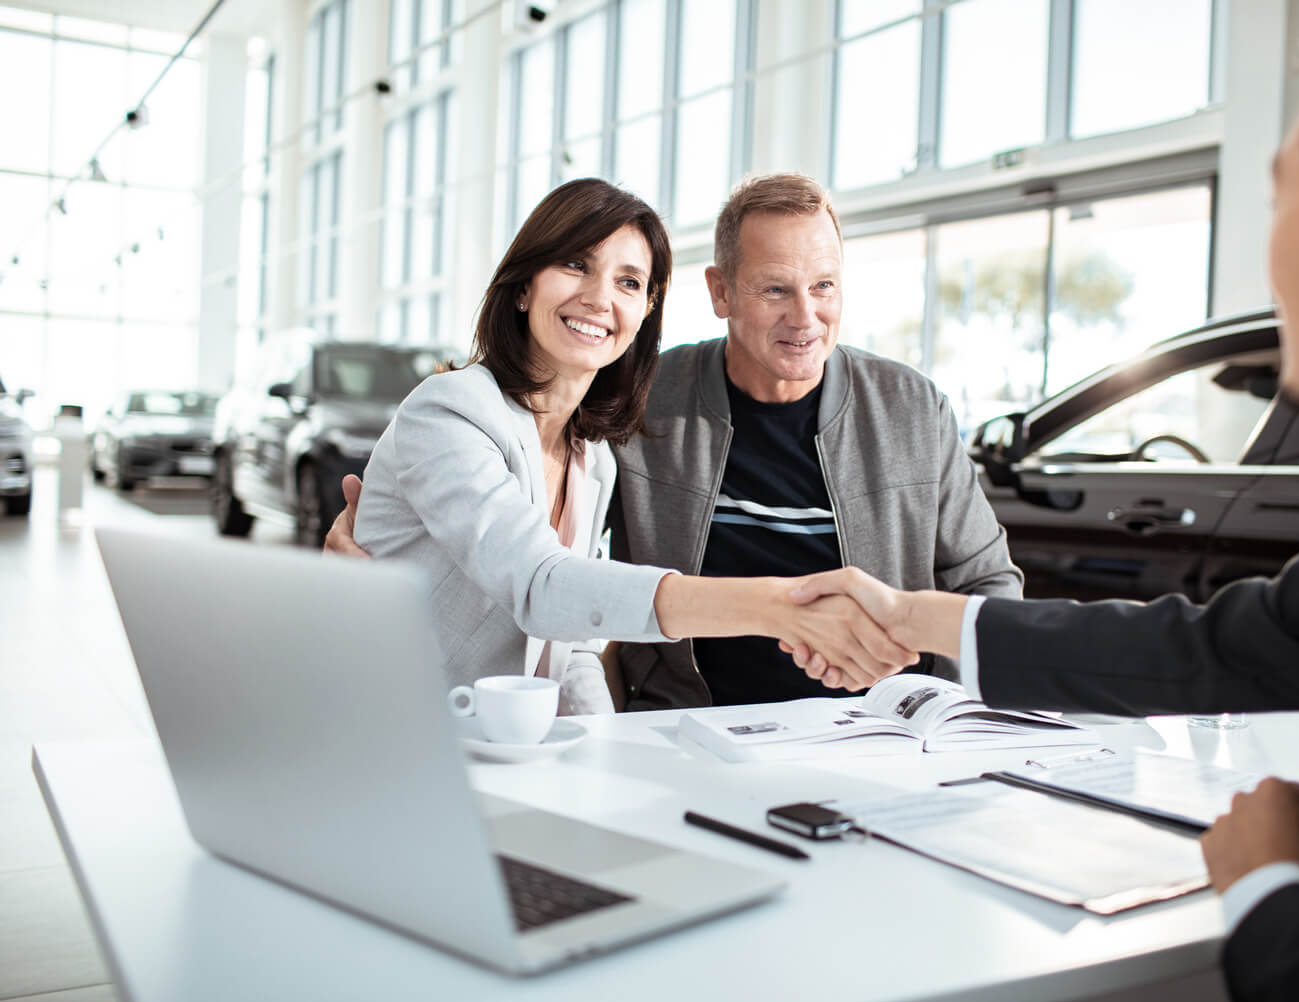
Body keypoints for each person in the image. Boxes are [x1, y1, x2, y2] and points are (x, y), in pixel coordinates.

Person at [788, 1, 1299, 996]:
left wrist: (1267, 890)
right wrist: (917, 618)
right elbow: (1214, 645)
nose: (1268, 254)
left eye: (1282, 199)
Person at [332, 174, 1023, 711]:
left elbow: (572, 638)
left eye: (824, 286)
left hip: (875, 727)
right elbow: (550, 583)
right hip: (663, 729)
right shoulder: (634, 411)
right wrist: (779, 606)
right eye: (775, 288)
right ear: (719, 292)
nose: (804, 314)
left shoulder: (594, 447)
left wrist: (950, 707)